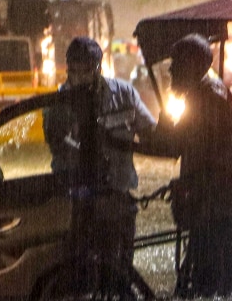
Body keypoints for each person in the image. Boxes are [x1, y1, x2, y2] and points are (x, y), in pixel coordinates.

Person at [43, 37, 156, 276]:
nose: (80, 77)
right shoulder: (57, 105)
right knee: (80, 272)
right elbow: (58, 147)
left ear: (98, 68)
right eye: (74, 70)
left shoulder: (124, 94)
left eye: (86, 70)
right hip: (77, 202)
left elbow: (151, 134)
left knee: (120, 271)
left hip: (117, 197)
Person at [150, 34, 232, 297]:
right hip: (209, 203)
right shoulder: (199, 96)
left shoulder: (208, 99)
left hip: (219, 209)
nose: (171, 70)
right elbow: (177, 145)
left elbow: (181, 148)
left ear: (195, 65)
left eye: (177, 64)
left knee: (210, 288)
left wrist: (189, 185)